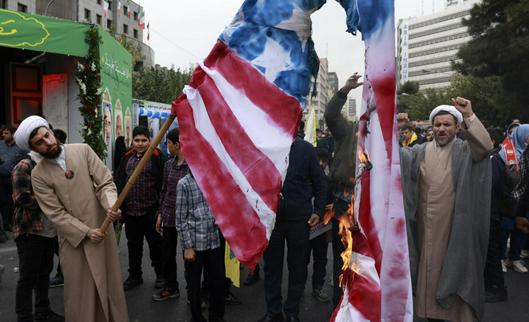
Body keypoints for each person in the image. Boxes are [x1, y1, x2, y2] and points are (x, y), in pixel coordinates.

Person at [14, 115, 128, 322]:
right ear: (33, 148)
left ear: (51, 130)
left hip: (103, 231)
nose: (48, 142)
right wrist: (86, 232)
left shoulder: (82, 150)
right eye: (40, 142)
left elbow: (104, 183)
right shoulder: (38, 175)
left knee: (109, 285)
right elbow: (55, 213)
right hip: (74, 241)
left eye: (47, 135)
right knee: (81, 294)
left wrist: (111, 205)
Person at [400, 98, 493, 322]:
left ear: (458, 127)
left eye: (447, 125)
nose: (441, 129)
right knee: (429, 273)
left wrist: (469, 114)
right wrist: (392, 132)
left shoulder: (466, 151)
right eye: (437, 125)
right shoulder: (419, 151)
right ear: (431, 127)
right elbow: (397, 162)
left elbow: (485, 147)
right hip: (425, 229)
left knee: (456, 271)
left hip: (456, 229)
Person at [258, 126, 327, 322]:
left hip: (300, 220)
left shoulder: (305, 149)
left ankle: (291, 312)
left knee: (298, 268)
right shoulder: (267, 147)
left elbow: (320, 182)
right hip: (272, 220)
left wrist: (318, 211)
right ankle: (274, 312)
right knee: (271, 269)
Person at [323, 73, 362, 306]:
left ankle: (362, 304)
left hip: (371, 204)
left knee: (365, 257)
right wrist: (344, 91)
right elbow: (330, 114)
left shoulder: (385, 136)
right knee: (342, 255)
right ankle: (340, 304)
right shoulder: (347, 131)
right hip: (344, 201)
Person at [12, 151, 64, 322]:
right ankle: (24, 317)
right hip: (31, 231)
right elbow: (21, 198)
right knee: (28, 277)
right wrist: (51, 203)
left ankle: (43, 310)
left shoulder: (51, 164)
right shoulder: (25, 166)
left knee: (44, 274)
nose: (46, 143)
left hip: (49, 230)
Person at [115, 125, 165, 291]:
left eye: (144, 140)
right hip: (130, 211)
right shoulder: (126, 158)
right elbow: (119, 181)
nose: (140, 143)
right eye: (137, 140)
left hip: (151, 211)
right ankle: (135, 275)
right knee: (133, 246)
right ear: (132, 140)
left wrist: (161, 210)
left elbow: (163, 185)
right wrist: (120, 207)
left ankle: (160, 275)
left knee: (155, 245)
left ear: (150, 140)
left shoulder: (157, 157)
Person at [175, 170, 226, 322]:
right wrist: (187, 246)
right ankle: (196, 317)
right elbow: (180, 218)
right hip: (194, 244)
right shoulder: (184, 184)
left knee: (218, 281)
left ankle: (217, 316)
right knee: (194, 283)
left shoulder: (214, 179)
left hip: (214, 240)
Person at [152, 129, 189, 301]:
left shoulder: (194, 167)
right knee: (167, 254)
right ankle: (171, 287)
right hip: (168, 216)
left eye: (169, 143)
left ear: (177, 144)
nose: (167, 146)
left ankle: (193, 292)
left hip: (188, 220)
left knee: (190, 257)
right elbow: (164, 190)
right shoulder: (168, 165)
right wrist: (160, 213)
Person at [498, 124, 529, 273]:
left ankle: (514, 258)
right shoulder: (504, 154)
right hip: (508, 200)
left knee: (521, 231)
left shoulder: (527, 154)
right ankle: (500, 258)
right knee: (504, 230)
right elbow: (500, 180)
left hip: (524, 201)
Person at [484, 128, 510, 303]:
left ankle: (497, 288)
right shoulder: (497, 157)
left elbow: (491, 187)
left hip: (490, 213)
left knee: (491, 253)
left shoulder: (492, 159)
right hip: (493, 212)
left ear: (492, 141)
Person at [0, 126, 27, 231]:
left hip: (15, 178)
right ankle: (6, 225)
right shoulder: (0, 144)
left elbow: (26, 159)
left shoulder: (20, 147)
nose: (3, 135)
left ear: (13, 134)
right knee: (4, 202)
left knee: (14, 201)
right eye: (3, 133)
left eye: (6, 133)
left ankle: (14, 222)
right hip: (1, 178)